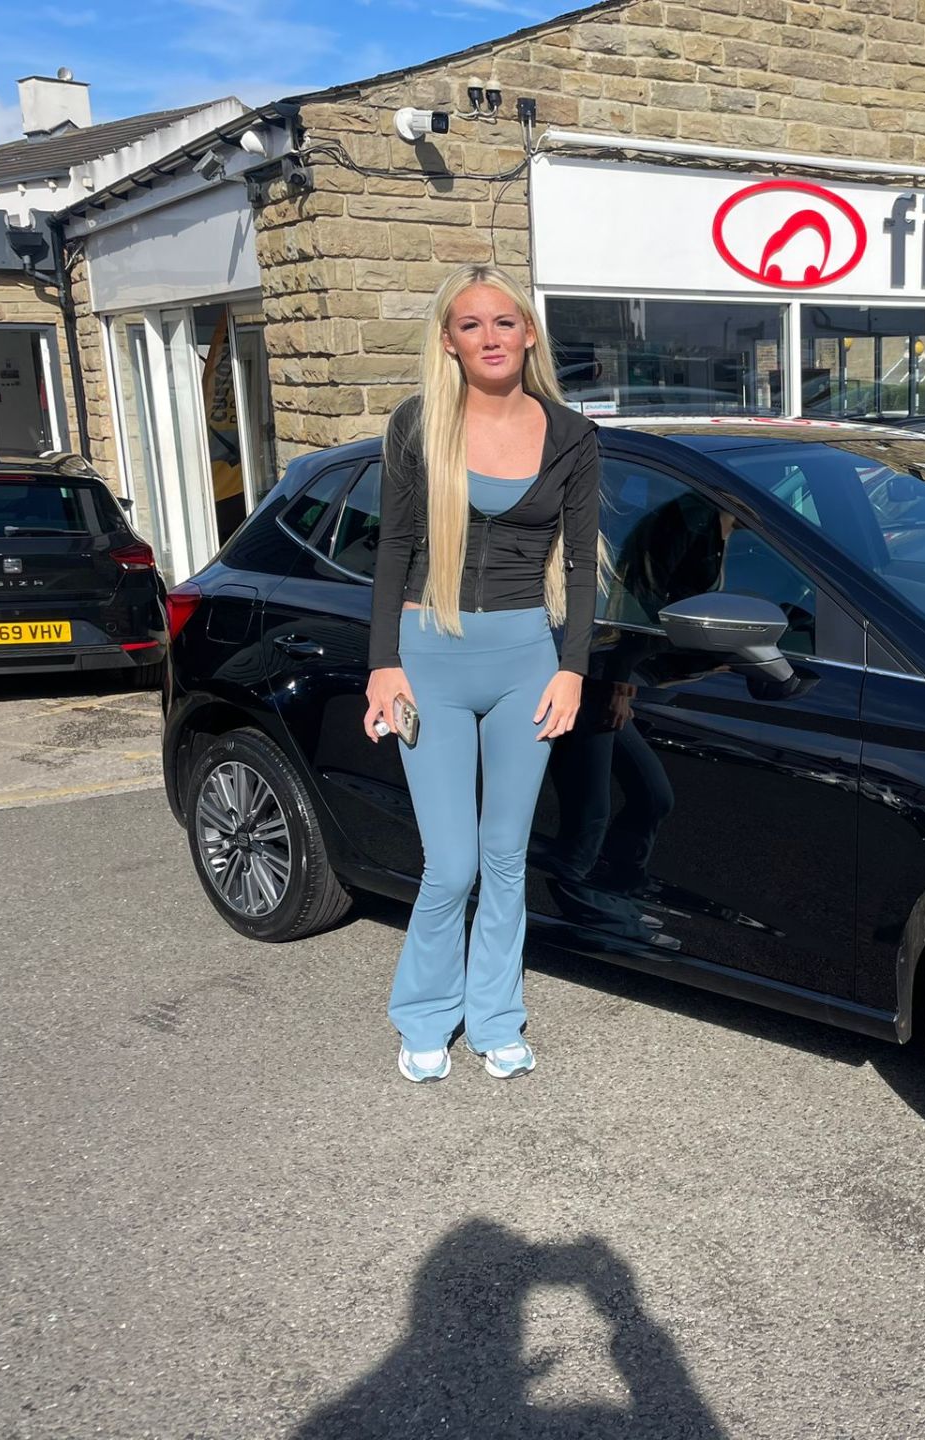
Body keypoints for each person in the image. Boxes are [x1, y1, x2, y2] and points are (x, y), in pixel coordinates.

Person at [364, 263, 599, 1084]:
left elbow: (581, 573)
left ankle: (496, 1014)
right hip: (429, 655)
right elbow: (393, 549)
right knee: (451, 864)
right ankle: (424, 1014)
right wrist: (381, 667)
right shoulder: (417, 426)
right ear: (450, 341)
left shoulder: (570, 434)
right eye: (472, 325)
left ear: (528, 333)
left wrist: (572, 670)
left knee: (505, 856)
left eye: (505, 322)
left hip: (526, 660)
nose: (491, 337)